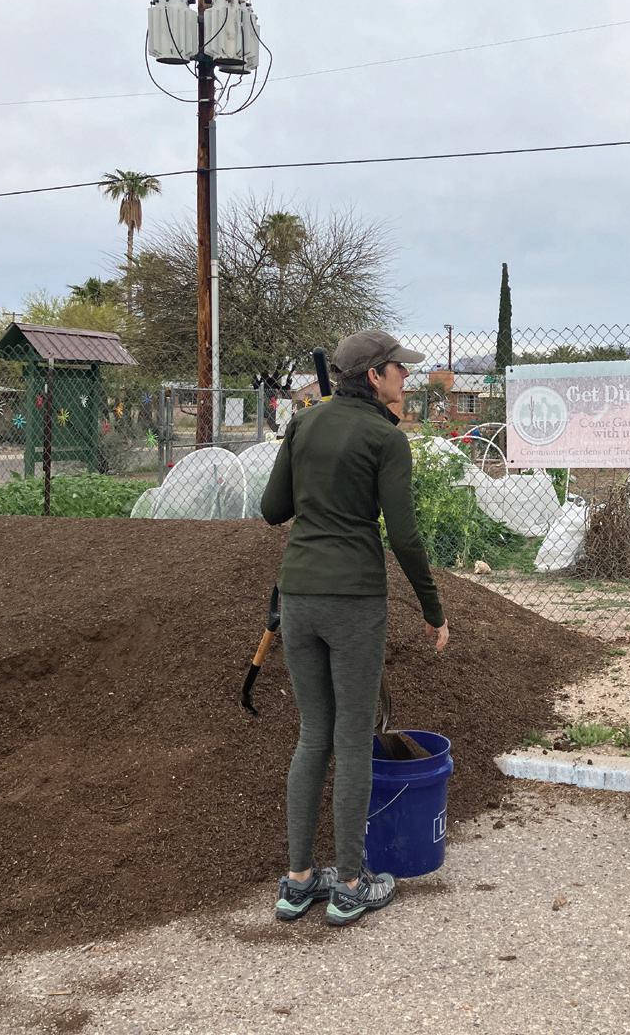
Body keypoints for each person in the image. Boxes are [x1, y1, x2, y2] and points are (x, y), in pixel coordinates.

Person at [261, 329, 450, 926]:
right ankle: (348, 885)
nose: (406, 377)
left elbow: (273, 509)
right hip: (354, 600)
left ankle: (297, 882)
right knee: (350, 740)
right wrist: (432, 608)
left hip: (298, 596)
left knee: (313, 734)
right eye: (399, 368)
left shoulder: (304, 424)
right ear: (374, 376)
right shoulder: (385, 438)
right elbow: (404, 536)